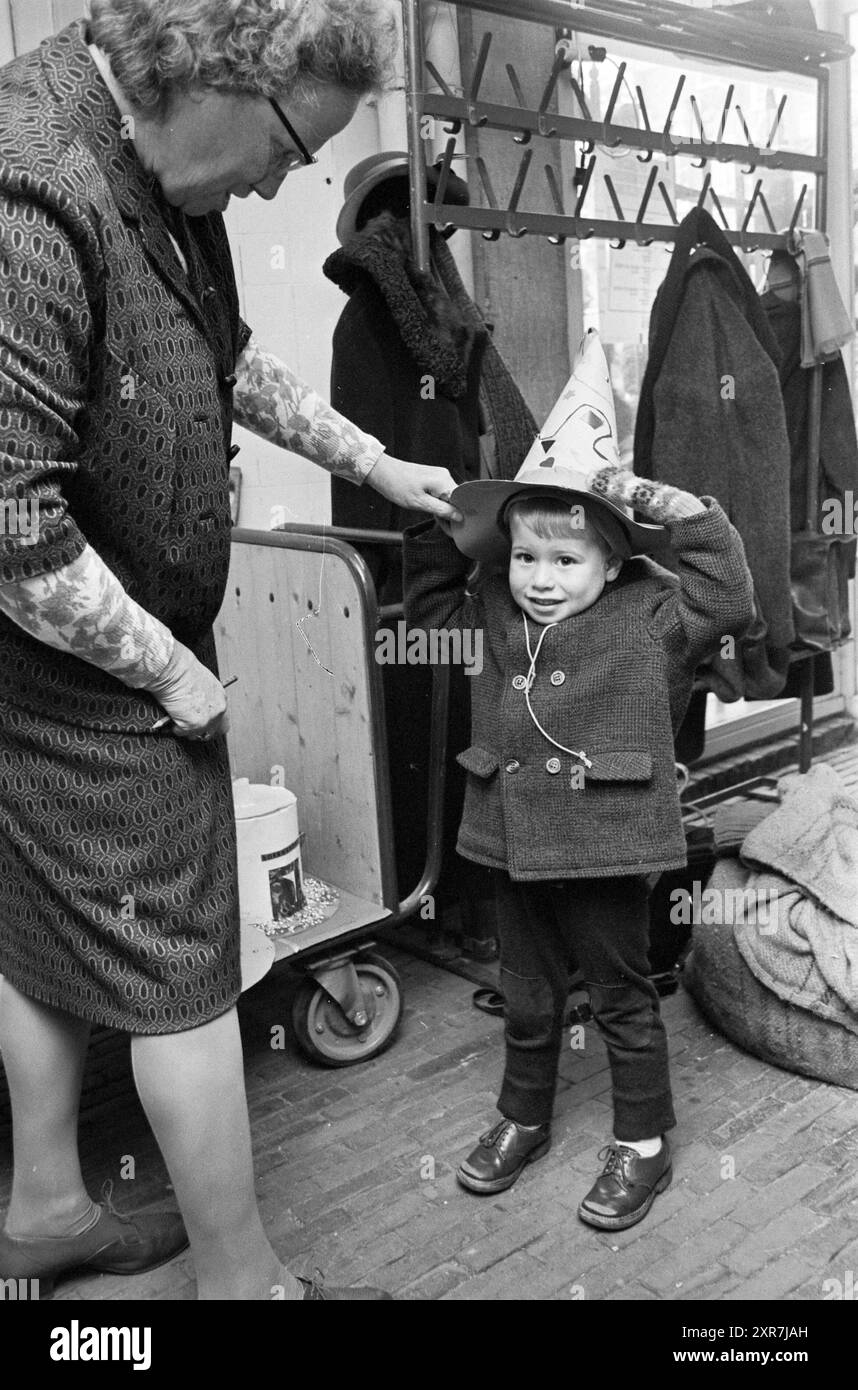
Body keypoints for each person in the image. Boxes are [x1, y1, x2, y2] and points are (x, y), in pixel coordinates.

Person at [0, 1, 459, 1302]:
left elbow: (232, 360)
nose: (281, 179)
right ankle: (244, 1284)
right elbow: (14, 535)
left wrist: (378, 463)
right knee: (183, 974)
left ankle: (41, 1208)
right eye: (284, 146)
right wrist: (171, 672)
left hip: (82, 663)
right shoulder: (31, 197)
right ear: (210, 74)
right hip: (77, 673)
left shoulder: (161, 168)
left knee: (38, 929)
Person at [403, 331, 756, 1230]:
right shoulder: (489, 605)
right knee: (526, 996)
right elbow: (431, 603)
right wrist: (444, 520)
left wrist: (644, 497)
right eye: (527, 557)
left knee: (620, 995)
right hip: (511, 841)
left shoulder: (655, 618)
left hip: (605, 847)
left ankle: (643, 1141)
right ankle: (522, 1116)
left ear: (613, 561)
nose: (543, 580)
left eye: (567, 561)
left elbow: (730, 595)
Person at [323, 151, 536, 950]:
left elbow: (479, 418)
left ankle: (475, 900)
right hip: (421, 565)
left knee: (472, 730)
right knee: (440, 731)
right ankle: (452, 904)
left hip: (456, 552)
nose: (431, 233)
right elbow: (395, 448)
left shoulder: (439, 306)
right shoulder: (383, 318)